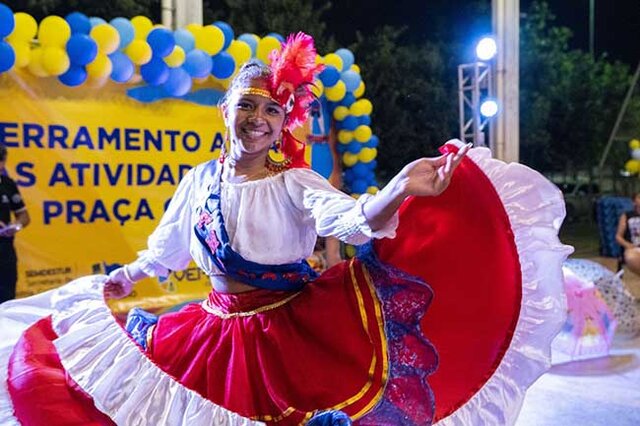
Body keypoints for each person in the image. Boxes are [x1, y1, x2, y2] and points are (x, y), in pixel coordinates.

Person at [0, 33, 570, 426]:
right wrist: (127, 278)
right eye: (249, 105)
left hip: (290, 336)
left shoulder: (296, 183)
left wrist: (398, 188)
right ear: (226, 109)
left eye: (273, 111)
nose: (258, 120)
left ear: (283, 125)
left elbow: (350, 220)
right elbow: (166, 248)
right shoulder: (198, 179)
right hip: (212, 330)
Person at [0, 145, 30, 303]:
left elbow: (24, 216)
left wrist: (16, 226)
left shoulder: (7, 184)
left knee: (6, 298)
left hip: (5, 249)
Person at [615, 192, 640, 274]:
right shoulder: (627, 215)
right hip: (633, 248)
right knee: (632, 258)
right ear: (634, 201)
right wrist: (628, 245)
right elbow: (618, 236)